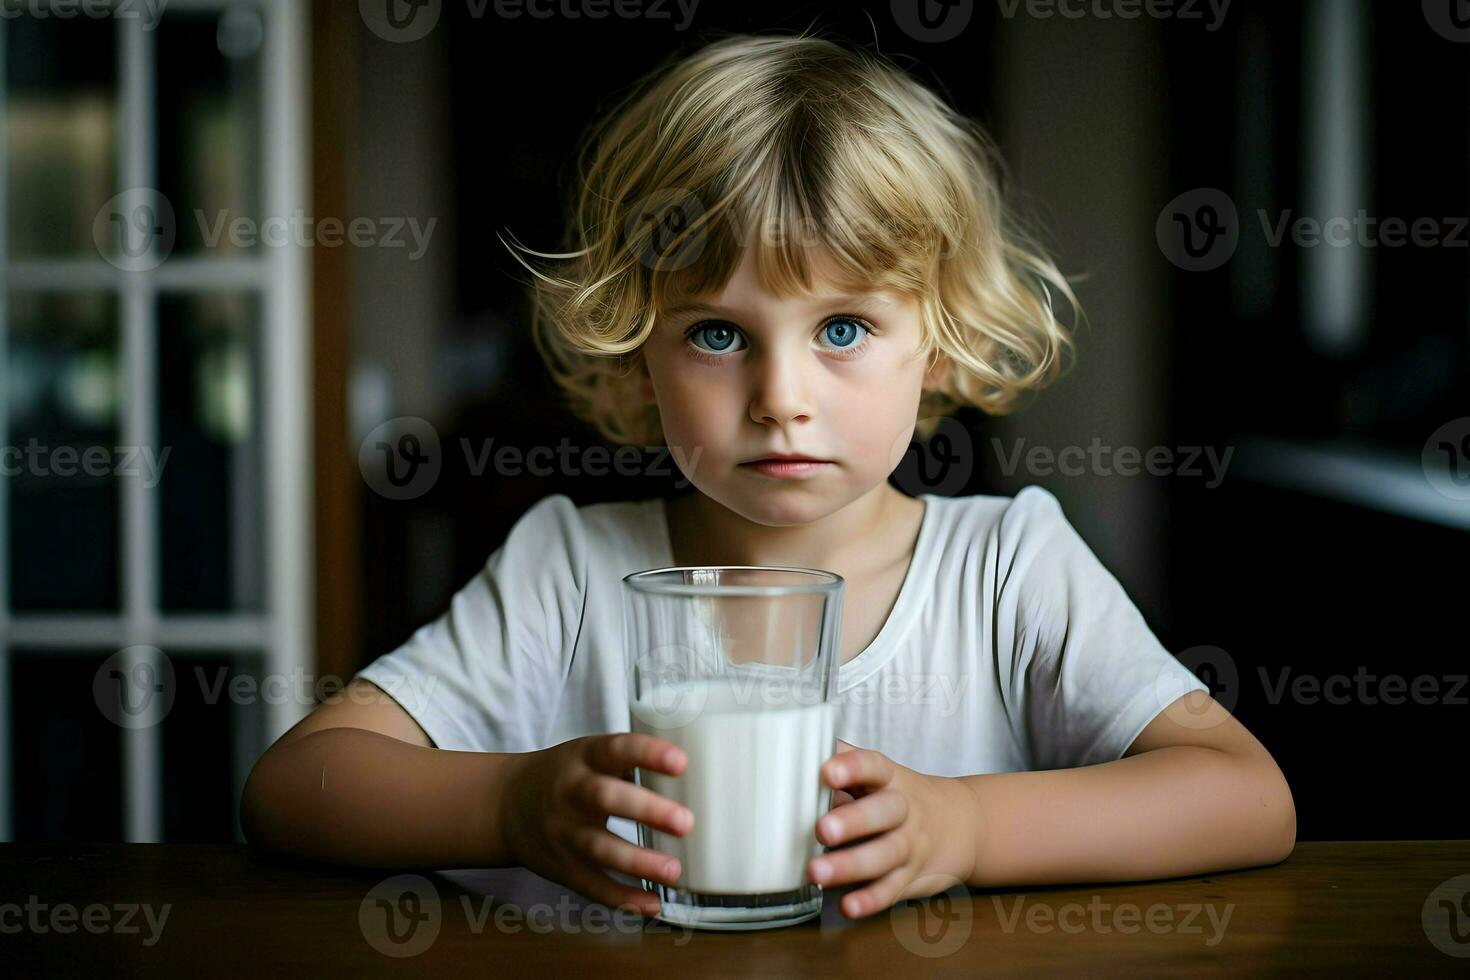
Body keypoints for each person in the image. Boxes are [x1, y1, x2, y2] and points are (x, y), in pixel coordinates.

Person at [241, 31, 1295, 922]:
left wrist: (970, 824)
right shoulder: (566, 568)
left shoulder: (1008, 569)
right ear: (638, 356)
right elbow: (292, 787)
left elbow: (1246, 795)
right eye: (714, 332)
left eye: (843, 326)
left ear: (936, 343)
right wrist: (509, 802)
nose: (780, 394)